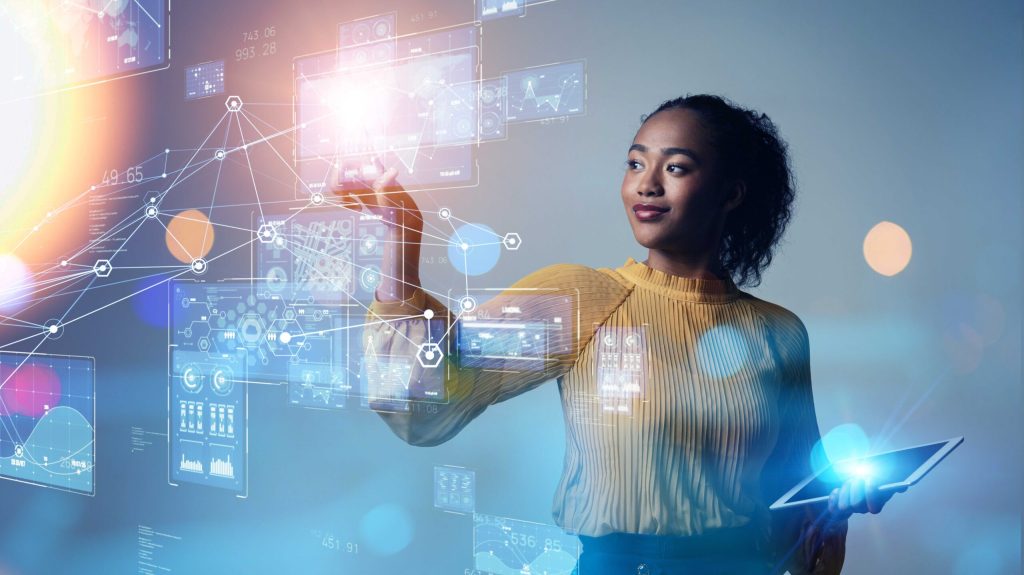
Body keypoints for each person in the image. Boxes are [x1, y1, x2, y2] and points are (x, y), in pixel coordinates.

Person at [343, 94, 903, 574]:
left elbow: (797, 502)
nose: (647, 185)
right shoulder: (582, 298)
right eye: (635, 164)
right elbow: (424, 396)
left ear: (732, 193)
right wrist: (402, 231)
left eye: (676, 168)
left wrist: (840, 502)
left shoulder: (780, 333)